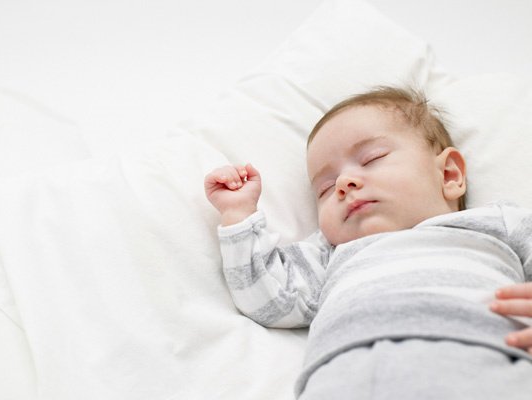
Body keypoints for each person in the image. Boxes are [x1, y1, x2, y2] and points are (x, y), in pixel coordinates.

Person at [204, 86, 532, 399]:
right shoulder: (330, 253)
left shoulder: (495, 224)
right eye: (325, 189)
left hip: (483, 360)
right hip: (343, 378)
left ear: (448, 175)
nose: (344, 183)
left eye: (372, 158)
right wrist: (238, 214)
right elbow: (267, 299)